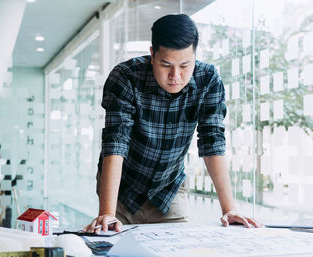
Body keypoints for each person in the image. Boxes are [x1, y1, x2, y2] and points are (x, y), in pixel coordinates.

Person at [84, 14, 261, 233]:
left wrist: (229, 209)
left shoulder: (208, 79)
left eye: (185, 65)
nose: (175, 76)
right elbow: (115, 142)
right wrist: (107, 213)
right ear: (152, 54)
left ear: (195, 56)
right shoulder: (126, 77)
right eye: (165, 65)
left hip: (169, 189)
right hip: (121, 189)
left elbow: (212, 140)